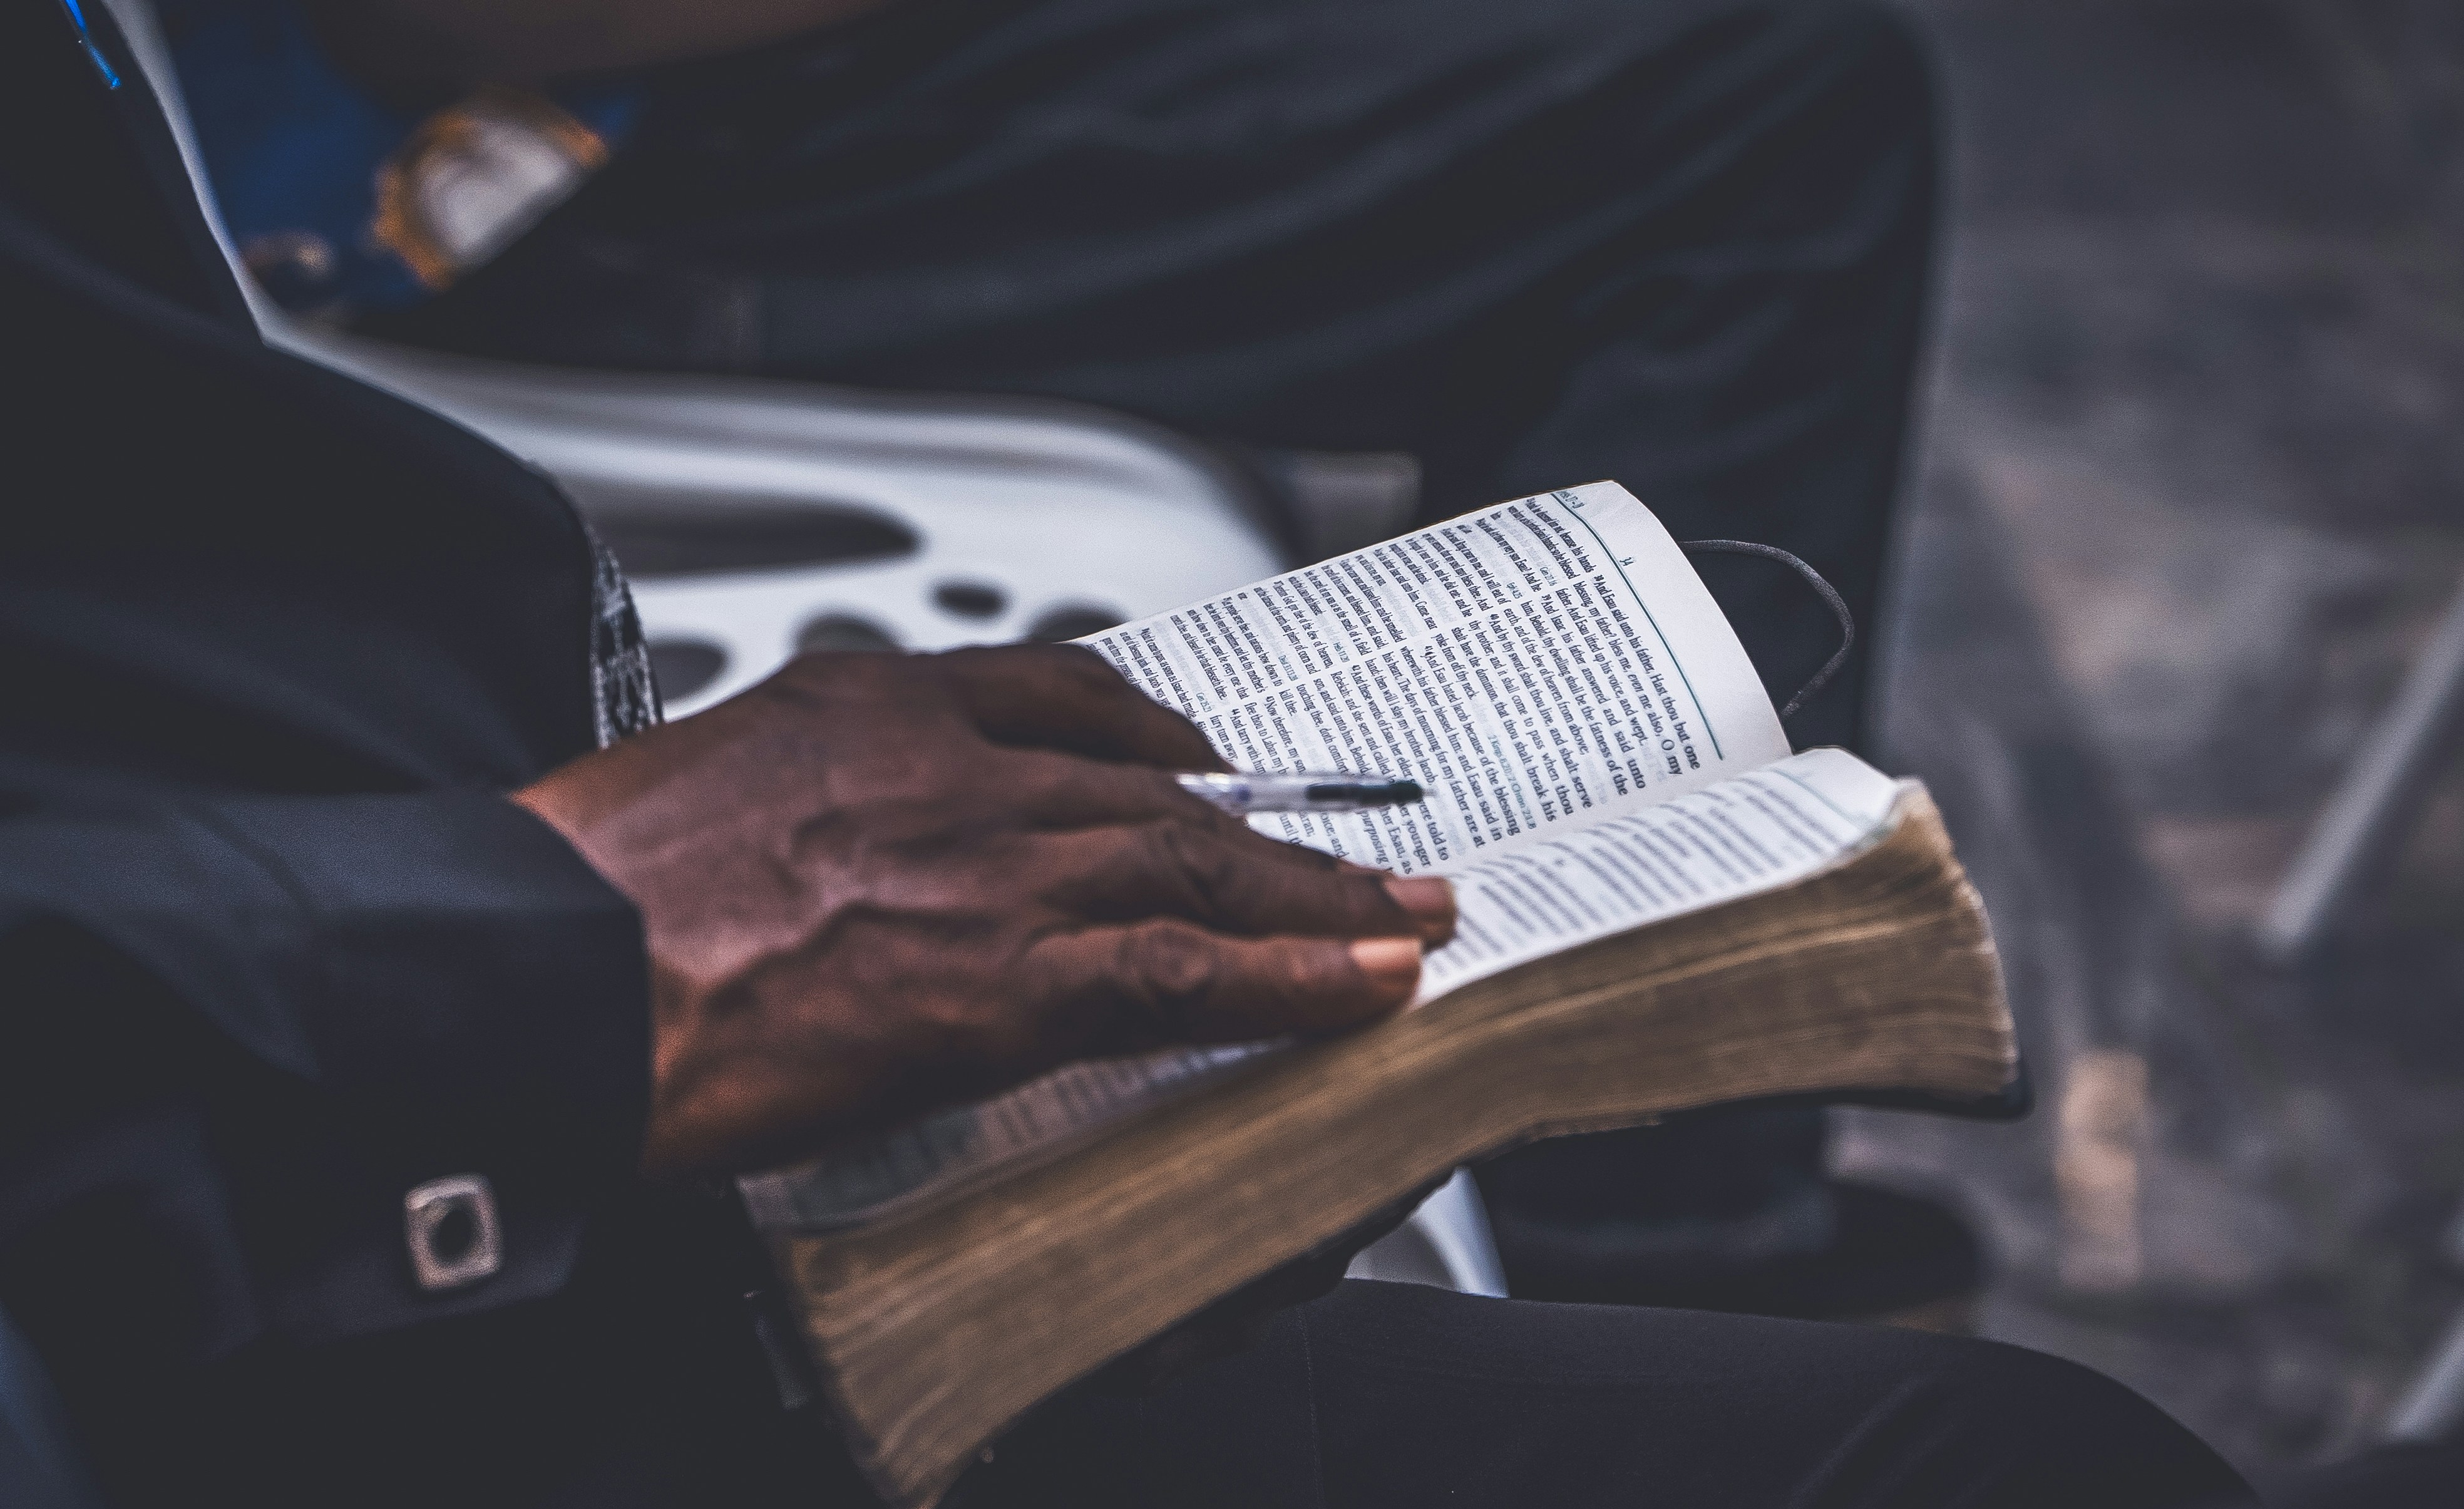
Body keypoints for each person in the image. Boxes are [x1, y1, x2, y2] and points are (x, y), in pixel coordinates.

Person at [1, 6, 2247, 1509]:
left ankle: (1635, 1213)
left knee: (2032, 1491)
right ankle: (1659, 1249)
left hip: (408, 1065)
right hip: (301, 1385)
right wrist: (532, 951)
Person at [169, 0, 1971, 1317]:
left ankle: (1620, 1177)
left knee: (1759, 90)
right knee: (1757, 119)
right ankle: (1638, 1255)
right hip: (457, 153)